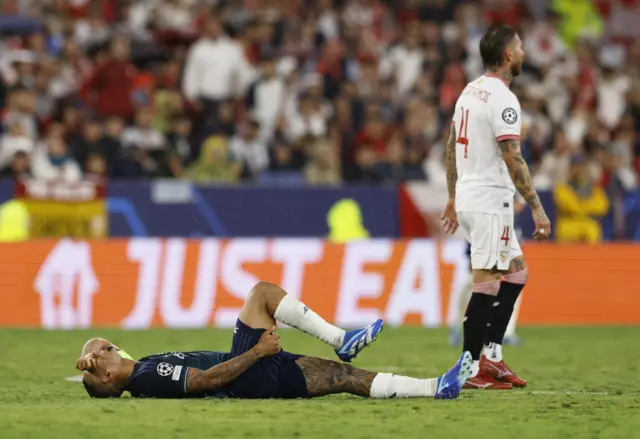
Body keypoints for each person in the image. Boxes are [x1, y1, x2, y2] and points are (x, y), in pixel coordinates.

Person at [77, 281, 472, 400]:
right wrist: (256, 351)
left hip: (253, 373)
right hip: (245, 372)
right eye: (107, 351)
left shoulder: (137, 366)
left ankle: (437, 388)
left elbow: (95, 343)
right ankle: (340, 337)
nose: (109, 346)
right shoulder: (146, 376)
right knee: (262, 293)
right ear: (109, 374)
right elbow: (204, 381)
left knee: (345, 376)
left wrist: (87, 356)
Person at [441, 25, 551, 390]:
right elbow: (513, 157)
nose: (523, 51)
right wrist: (536, 206)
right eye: (519, 46)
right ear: (507, 55)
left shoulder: (468, 92)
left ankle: (493, 356)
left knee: (517, 273)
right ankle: (471, 369)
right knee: (486, 282)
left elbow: (450, 146)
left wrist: (454, 196)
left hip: (474, 197)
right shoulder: (504, 99)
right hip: (490, 200)